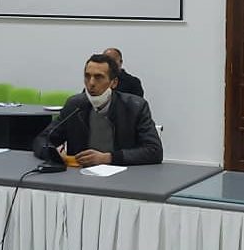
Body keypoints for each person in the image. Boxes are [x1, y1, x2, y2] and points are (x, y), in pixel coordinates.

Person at [33, 53, 162, 166]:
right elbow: (42, 140)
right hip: (78, 174)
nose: (91, 83)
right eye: (87, 76)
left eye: (98, 77)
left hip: (122, 173)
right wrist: (54, 154)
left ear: (114, 82)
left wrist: (108, 158)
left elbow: (154, 151)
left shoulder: (135, 107)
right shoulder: (74, 105)